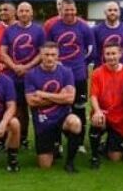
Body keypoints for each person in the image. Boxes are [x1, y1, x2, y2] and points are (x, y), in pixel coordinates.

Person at [46, 0, 95, 154]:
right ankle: (56, 142)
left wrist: (80, 62)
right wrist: (56, 64)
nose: (69, 13)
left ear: (76, 10)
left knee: (79, 108)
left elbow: (90, 49)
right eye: (66, 10)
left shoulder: (84, 27)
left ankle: (79, 142)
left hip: (79, 75)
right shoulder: (53, 27)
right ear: (60, 11)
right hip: (58, 75)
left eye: (72, 9)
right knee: (56, 108)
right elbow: (48, 49)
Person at [25, 42, 83, 172]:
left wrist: (43, 94)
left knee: (75, 123)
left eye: (53, 55)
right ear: (41, 55)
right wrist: (59, 97)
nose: (50, 58)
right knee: (45, 165)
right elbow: (32, 102)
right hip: (43, 121)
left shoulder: (67, 72)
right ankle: (54, 147)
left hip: (63, 117)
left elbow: (70, 98)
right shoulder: (31, 74)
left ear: (58, 56)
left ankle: (70, 163)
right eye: (46, 55)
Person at [0, 1, 44, 148]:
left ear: (32, 13)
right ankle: (19, 137)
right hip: (13, 76)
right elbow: (2, 52)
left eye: (27, 11)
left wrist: (27, 67)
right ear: (17, 13)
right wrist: (14, 67)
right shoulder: (9, 30)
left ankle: (38, 139)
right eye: (21, 11)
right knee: (17, 108)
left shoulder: (39, 30)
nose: (24, 14)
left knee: (35, 108)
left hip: (33, 76)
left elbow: (42, 53)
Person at [88, 43, 123, 168]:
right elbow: (93, 96)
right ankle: (94, 156)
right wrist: (97, 111)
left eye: (113, 53)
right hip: (103, 114)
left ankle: (105, 146)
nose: (111, 57)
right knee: (97, 120)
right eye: (108, 54)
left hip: (120, 118)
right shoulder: (97, 72)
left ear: (120, 54)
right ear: (104, 55)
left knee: (115, 158)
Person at [93, 1, 123, 65]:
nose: (112, 12)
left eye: (115, 10)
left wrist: (118, 60)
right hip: (101, 68)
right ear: (105, 12)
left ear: (119, 12)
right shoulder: (96, 30)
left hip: (121, 70)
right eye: (110, 10)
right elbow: (94, 51)